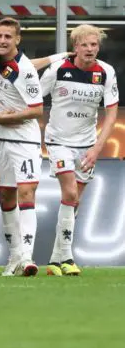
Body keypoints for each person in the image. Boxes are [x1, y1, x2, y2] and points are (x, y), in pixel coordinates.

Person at [40, 24, 119, 276]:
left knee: (74, 203)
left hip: (86, 145)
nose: (90, 49)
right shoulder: (57, 69)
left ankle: (54, 260)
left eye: (94, 44)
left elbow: (111, 113)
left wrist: (97, 148)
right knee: (70, 193)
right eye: (84, 44)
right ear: (75, 47)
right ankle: (68, 257)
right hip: (58, 141)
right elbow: (34, 98)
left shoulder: (106, 72)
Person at [0, 17, 43, 277]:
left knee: (26, 194)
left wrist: (4, 117)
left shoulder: (25, 70)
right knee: (6, 196)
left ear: (18, 39)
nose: (2, 40)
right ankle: (14, 257)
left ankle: (28, 257)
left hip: (24, 140)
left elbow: (38, 110)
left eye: (8, 37)